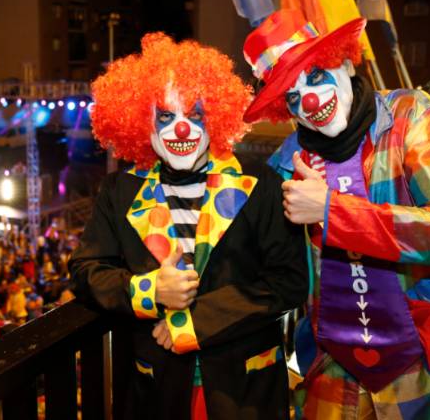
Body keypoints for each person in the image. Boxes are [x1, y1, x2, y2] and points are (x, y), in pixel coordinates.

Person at [242, 9, 430, 418]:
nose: (309, 101)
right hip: (337, 362)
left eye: (316, 76)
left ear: (345, 62)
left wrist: (333, 210)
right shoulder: (287, 163)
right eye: (293, 96)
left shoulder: (410, 117)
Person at [70, 33, 307, 420]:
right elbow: (85, 271)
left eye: (195, 115)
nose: (181, 129)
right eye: (166, 117)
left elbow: (289, 280)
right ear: (142, 123)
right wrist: (149, 290)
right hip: (158, 390)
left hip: (245, 390)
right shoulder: (120, 191)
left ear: (215, 117)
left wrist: (197, 321)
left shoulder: (260, 183)